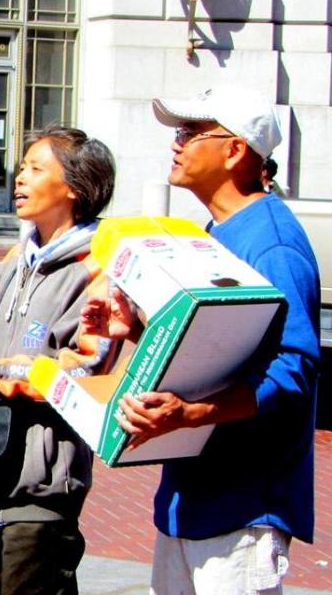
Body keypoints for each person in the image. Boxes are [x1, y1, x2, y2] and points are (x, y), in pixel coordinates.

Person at [82, 86, 320, 594]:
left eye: (190, 133)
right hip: (189, 500)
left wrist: (192, 415)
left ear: (235, 151)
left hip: (243, 510)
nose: (176, 143)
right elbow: (209, 348)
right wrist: (135, 329)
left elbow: (294, 369)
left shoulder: (273, 242)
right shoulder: (215, 231)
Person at [0, 126, 120, 594]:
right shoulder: (18, 257)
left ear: (75, 188)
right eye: (21, 168)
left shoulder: (98, 267)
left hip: (39, 488)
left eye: (36, 169)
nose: (19, 178)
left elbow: (88, 366)